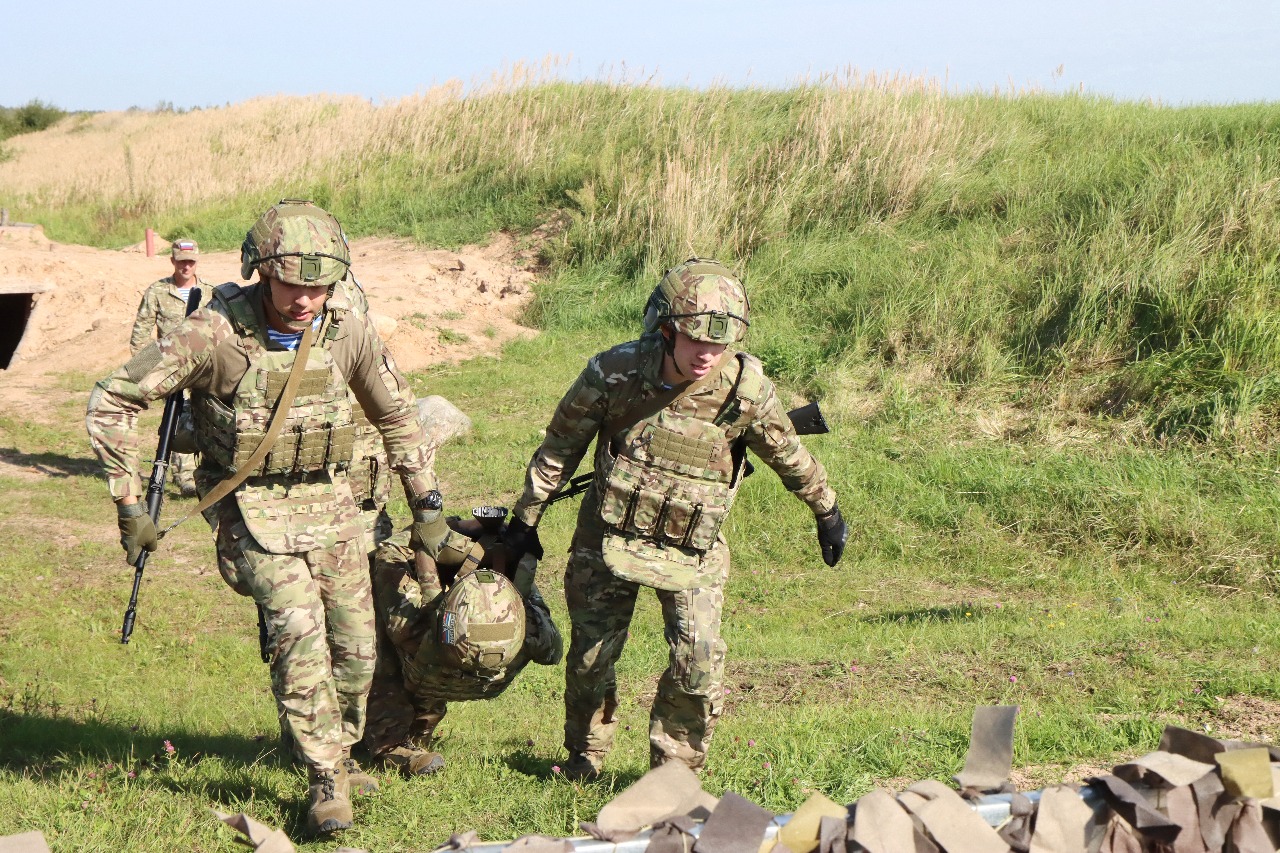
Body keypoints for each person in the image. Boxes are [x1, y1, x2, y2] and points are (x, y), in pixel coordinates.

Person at [86, 200, 463, 835]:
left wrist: (427, 509)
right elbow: (112, 399)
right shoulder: (213, 334)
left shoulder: (346, 331)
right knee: (299, 632)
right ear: (261, 271)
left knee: (356, 650)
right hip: (248, 510)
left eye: (320, 287)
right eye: (292, 286)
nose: (306, 300)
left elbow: (397, 416)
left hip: (331, 506)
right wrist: (129, 504)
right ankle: (326, 781)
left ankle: (336, 751)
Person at [503, 258, 848, 780]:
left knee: (698, 659)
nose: (707, 354)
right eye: (695, 341)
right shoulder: (614, 373)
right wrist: (525, 523)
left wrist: (826, 509)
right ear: (666, 330)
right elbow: (560, 448)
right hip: (608, 532)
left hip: (694, 543)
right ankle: (584, 757)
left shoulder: (745, 391)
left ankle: (674, 776)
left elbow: (788, 453)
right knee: (591, 658)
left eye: (720, 344)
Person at [361, 510, 563, 776]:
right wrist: (514, 552)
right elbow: (549, 644)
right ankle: (419, 731)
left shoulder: (416, 633)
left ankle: (389, 739)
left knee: (377, 617)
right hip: (487, 686)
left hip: (424, 676)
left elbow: (390, 552)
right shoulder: (534, 636)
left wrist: (449, 530)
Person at [128, 238, 212, 496]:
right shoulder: (158, 291)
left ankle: (208, 470)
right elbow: (141, 333)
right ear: (173, 261)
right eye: (181, 262)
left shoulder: (210, 292)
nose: (186, 267)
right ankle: (185, 475)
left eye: (191, 262)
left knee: (208, 416)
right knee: (178, 416)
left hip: (203, 365)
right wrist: (141, 370)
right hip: (171, 366)